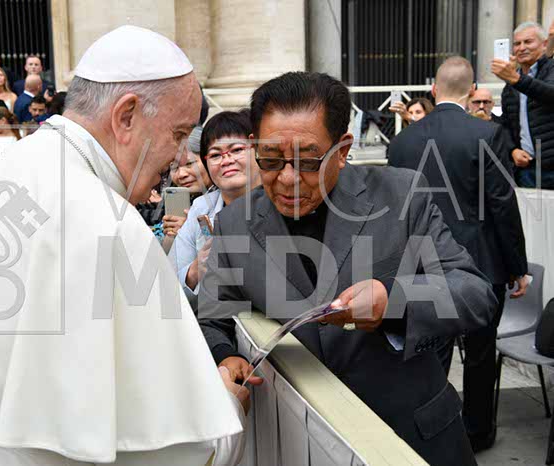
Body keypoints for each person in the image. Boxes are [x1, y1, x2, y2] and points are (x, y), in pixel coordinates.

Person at [0, 25, 248, 466]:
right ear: (127, 115)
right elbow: (176, 453)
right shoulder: (110, 223)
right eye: (177, 134)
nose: (178, 157)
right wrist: (228, 408)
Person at [198, 71, 498, 466]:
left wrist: (393, 301)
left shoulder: (402, 195)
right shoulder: (236, 223)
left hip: (411, 437)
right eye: (270, 159)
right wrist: (225, 355)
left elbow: (473, 292)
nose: (287, 178)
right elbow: (214, 314)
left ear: (342, 150)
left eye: (308, 161)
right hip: (298, 444)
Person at [388, 56, 529, 453]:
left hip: (422, 261)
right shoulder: (487, 134)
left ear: (434, 90)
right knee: (480, 354)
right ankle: (478, 432)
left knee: (431, 353)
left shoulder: (402, 143)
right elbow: (502, 203)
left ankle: (429, 432)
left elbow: (395, 209)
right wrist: (516, 265)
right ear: (472, 91)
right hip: (481, 262)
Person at [169, 110, 261, 310]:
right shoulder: (201, 208)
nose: (226, 160)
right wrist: (196, 271)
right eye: (215, 155)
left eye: (236, 150)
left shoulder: (282, 202)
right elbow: (167, 287)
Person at [493, 21, 554, 188]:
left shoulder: (550, 69)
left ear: (544, 44)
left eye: (528, 42)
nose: (521, 48)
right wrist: (512, 150)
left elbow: (549, 94)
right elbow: (506, 124)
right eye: (517, 44)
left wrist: (516, 79)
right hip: (526, 169)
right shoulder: (511, 84)